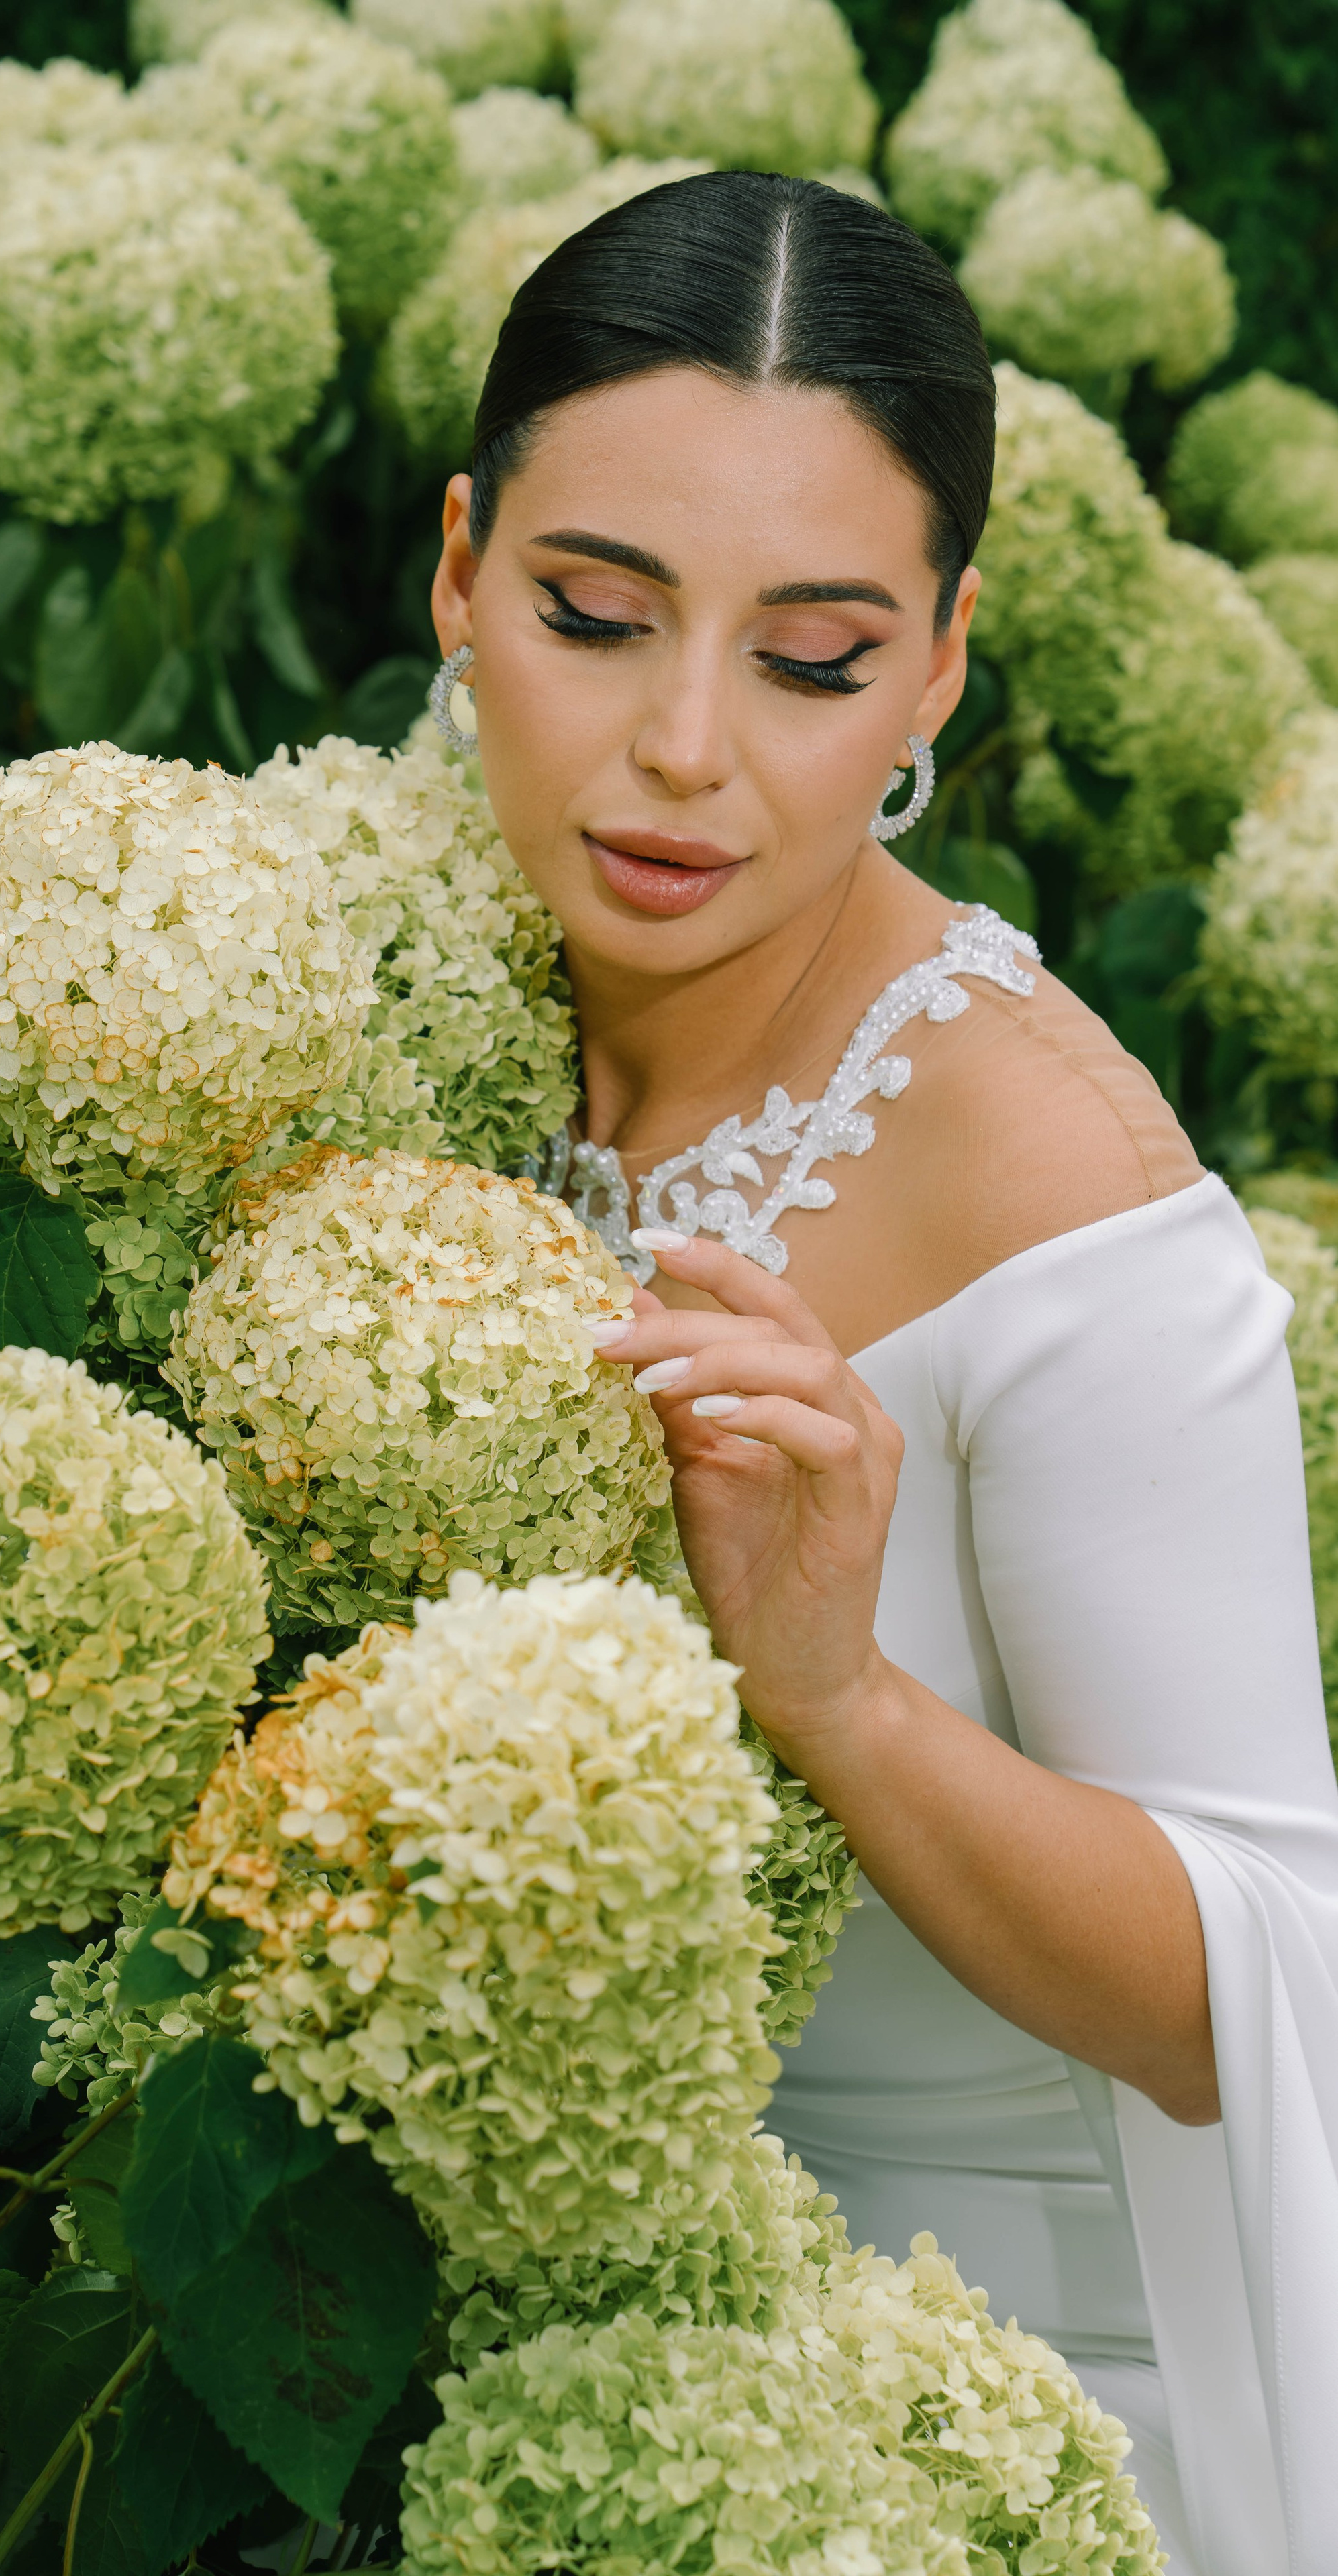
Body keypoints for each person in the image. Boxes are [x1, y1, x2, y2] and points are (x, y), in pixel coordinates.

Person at [425, 169, 1338, 2576]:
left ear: (939, 669)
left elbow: (1259, 1997)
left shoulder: (1062, 1197)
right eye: (596, 617)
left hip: (970, 2429)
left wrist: (840, 1691)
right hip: (428, 2366)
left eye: (814, 661)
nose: (683, 751)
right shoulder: (365, 1002)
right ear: (457, 573)